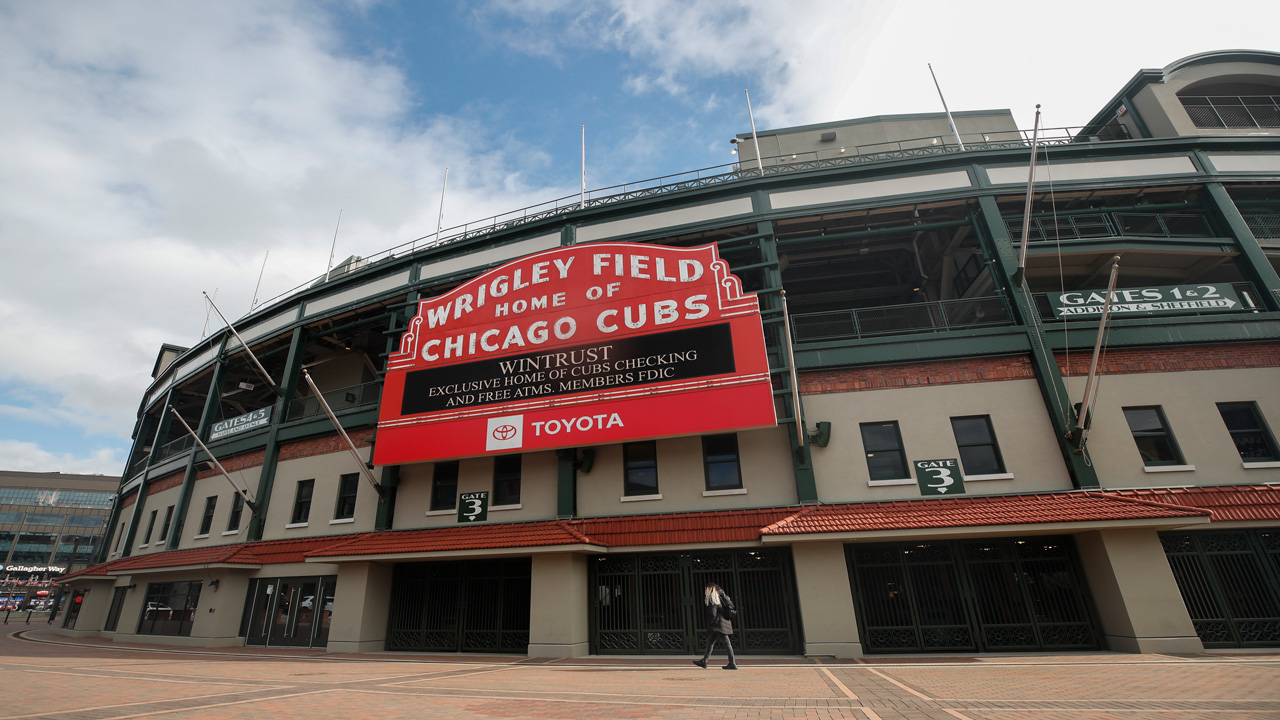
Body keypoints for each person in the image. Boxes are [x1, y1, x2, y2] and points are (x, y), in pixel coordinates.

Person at [692, 582, 737, 670]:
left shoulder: (713, 600)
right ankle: (704, 661)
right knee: (710, 642)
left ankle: (732, 663)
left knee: (726, 643)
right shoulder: (719, 598)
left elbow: (712, 614)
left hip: (717, 625)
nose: (705, 590)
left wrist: (710, 623)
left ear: (710, 590)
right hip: (720, 624)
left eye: (706, 589)